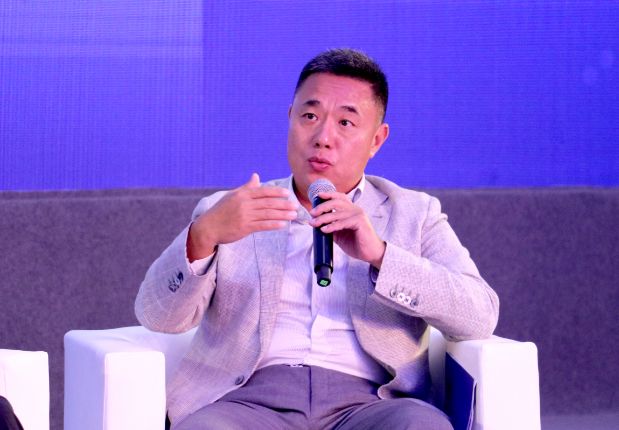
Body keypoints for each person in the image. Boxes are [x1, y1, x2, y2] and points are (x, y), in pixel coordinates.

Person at [136, 48, 499, 430]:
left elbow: (479, 315)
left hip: (372, 406)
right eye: (309, 116)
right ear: (289, 118)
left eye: (346, 122)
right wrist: (204, 235)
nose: (323, 137)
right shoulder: (228, 211)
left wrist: (381, 255)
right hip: (245, 403)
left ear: (376, 140)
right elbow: (157, 317)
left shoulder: (413, 214)